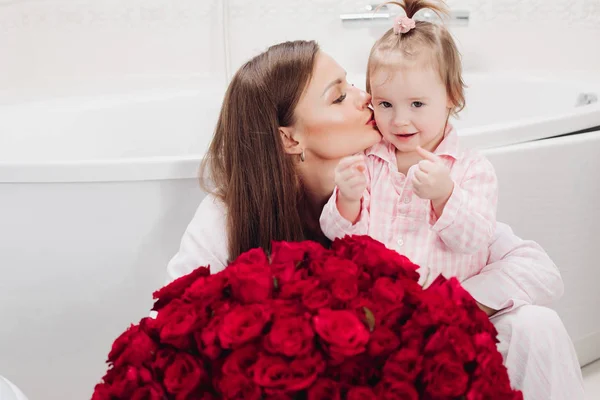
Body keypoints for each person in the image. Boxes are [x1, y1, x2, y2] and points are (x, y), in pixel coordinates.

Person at [165, 40, 584, 399]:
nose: (364, 96)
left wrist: (432, 311)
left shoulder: (398, 179)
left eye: (351, 82)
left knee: (535, 326)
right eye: (338, 95)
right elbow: (168, 324)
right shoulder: (229, 216)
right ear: (290, 139)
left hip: (404, 368)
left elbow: (537, 269)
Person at [320, 0, 497, 288]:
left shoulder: (472, 169)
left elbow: (475, 241)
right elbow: (339, 239)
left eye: (417, 103)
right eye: (386, 104)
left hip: (442, 311)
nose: (400, 120)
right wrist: (347, 200)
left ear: (451, 96)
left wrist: (445, 196)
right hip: (379, 304)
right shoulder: (367, 160)